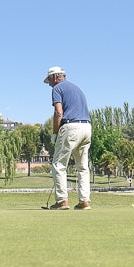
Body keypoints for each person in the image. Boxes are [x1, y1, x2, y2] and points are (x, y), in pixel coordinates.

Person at [43, 66, 91, 210]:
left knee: (59, 165)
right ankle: (84, 201)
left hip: (71, 127)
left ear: (56, 77)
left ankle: (62, 200)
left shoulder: (57, 89)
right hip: (87, 127)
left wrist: (55, 133)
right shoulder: (77, 89)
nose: (50, 84)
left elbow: (58, 113)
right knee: (83, 167)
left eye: (50, 80)